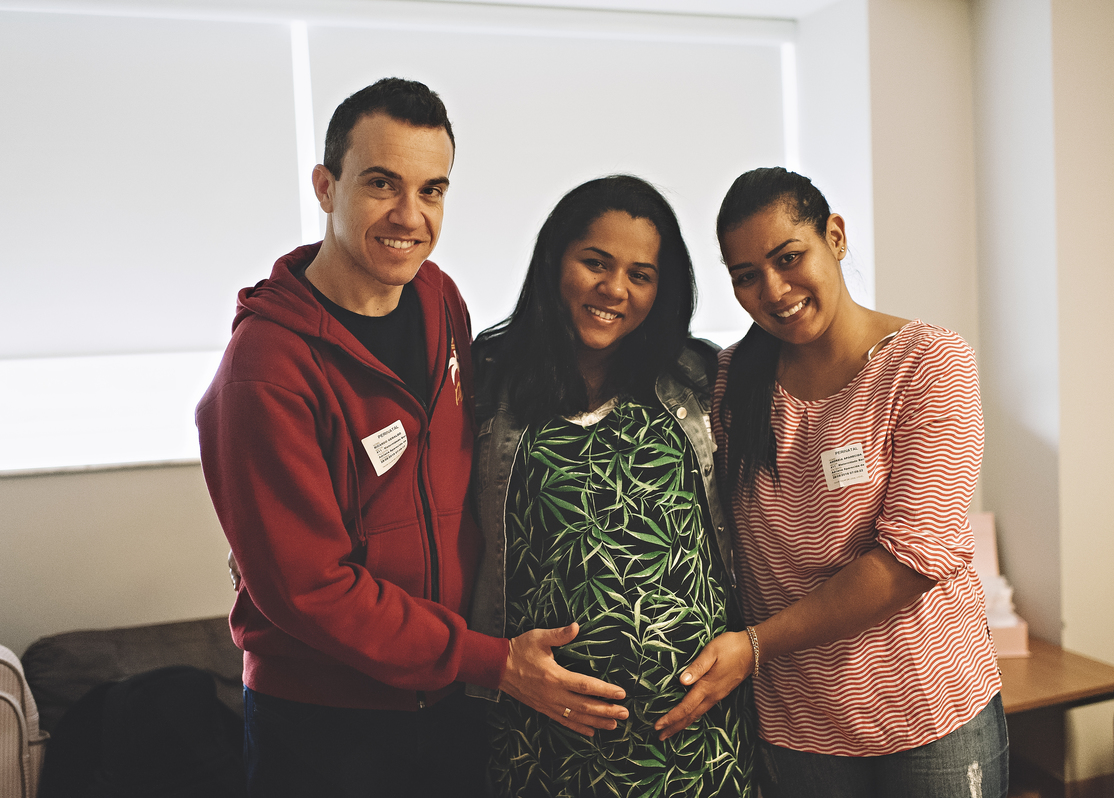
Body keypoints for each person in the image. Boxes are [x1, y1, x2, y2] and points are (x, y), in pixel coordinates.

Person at [197, 78, 627, 798]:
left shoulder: (438, 298)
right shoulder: (266, 371)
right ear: (326, 187)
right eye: (381, 184)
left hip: (451, 699)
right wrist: (490, 660)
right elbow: (312, 588)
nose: (410, 216)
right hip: (328, 724)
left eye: (432, 190)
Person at [654, 167, 1008, 797]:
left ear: (836, 237)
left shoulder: (928, 364)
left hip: (928, 710)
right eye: (745, 276)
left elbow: (911, 561)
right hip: (800, 724)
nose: (774, 289)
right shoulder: (729, 384)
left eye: (790, 258)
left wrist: (755, 646)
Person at [467, 175, 756, 797]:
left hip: (696, 739)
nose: (614, 290)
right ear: (554, 261)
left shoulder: (700, 379)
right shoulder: (488, 382)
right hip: (543, 736)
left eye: (640, 274)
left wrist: (751, 646)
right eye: (595, 263)